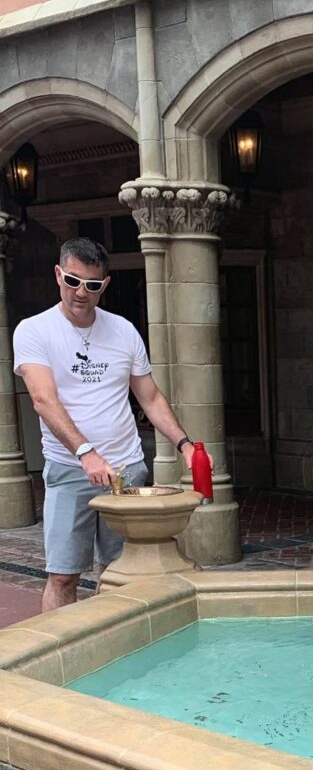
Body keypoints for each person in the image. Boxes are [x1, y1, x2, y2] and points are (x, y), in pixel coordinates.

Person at [14, 237, 207, 612]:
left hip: (127, 470)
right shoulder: (34, 330)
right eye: (72, 281)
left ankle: (114, 654)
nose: (80, 292)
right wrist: (86, 453)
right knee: (63, 574)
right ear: (58, 274)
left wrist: (185, 444)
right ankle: (61, 656)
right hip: (72, 470)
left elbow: (149, 397)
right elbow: (43, 400)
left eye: (90, 285)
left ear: (104, 285)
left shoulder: (123, 331)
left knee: (120, 571)